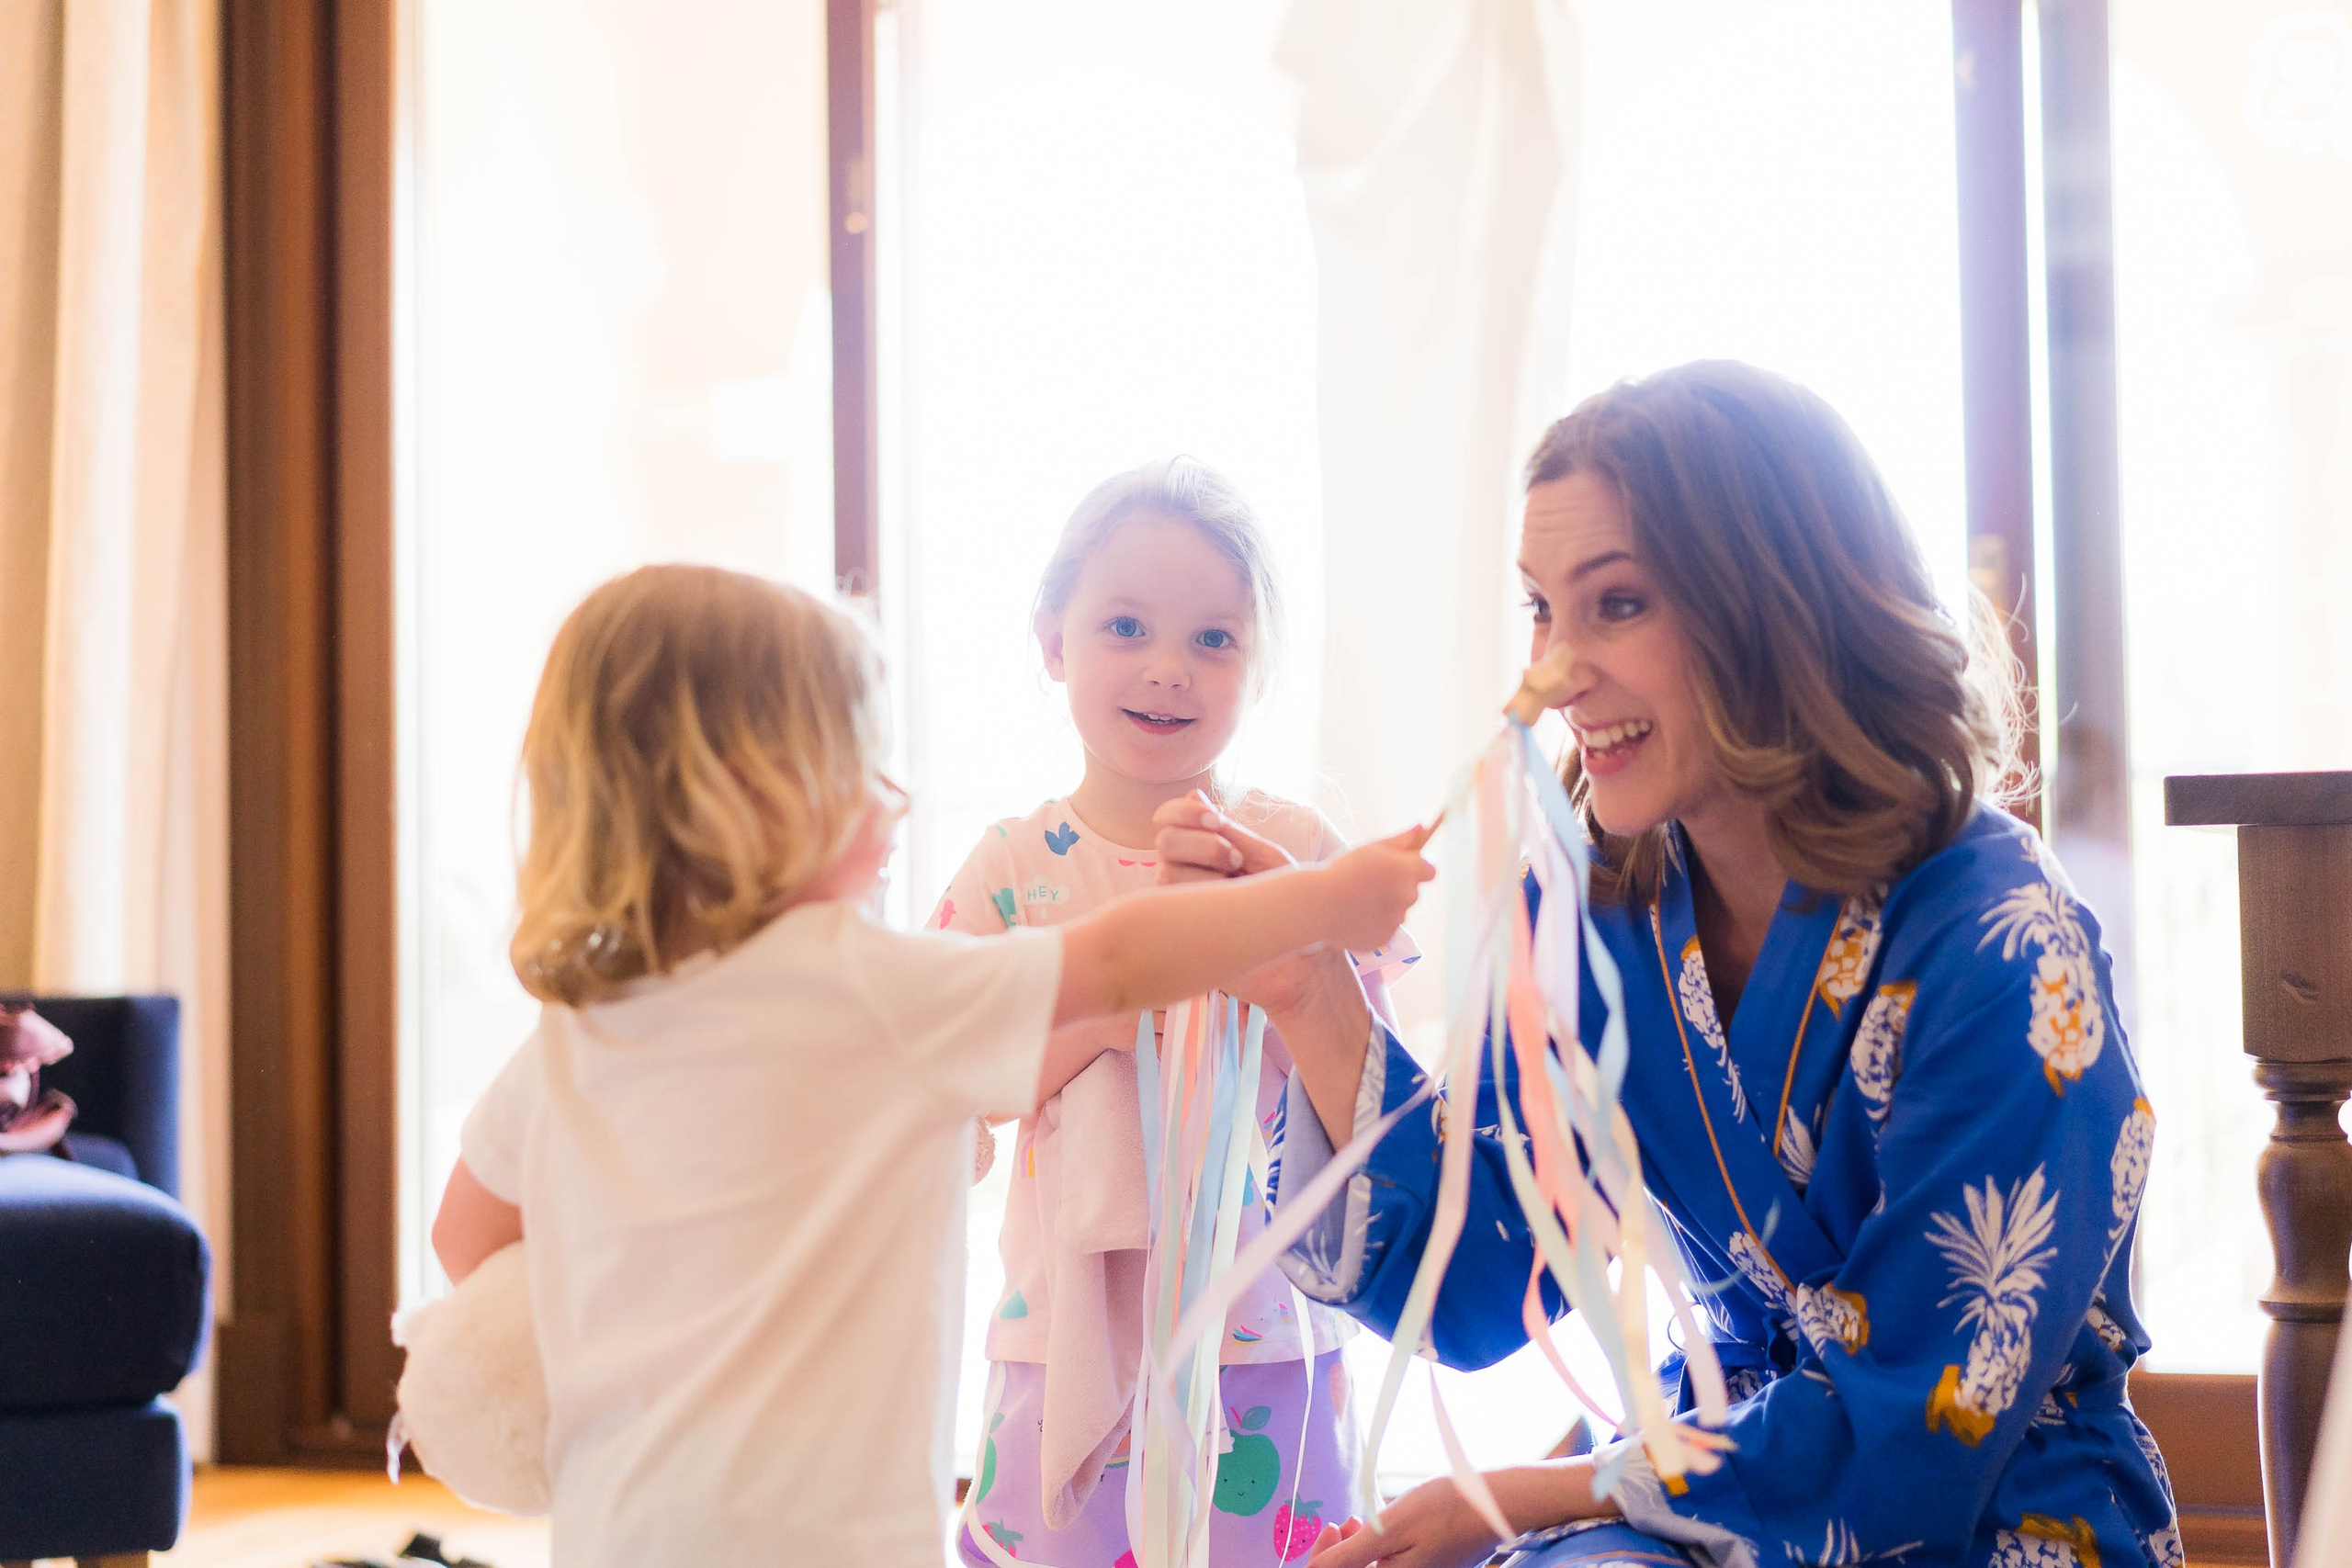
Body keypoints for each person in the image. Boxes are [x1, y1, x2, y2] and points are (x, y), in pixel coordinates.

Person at [1161, 363, 2182, 1568]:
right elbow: (1480, 1273)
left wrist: (1523, 1496)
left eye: (1618, 604)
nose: (1551, 673)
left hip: (1995, 1516)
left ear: (1778, 605)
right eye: (1540, 609)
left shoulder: (2001, 940)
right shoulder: (1589, 908)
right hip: (1707, 1484)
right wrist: (1308, 988)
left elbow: (1920, 1428)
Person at [426, 563, 1434, 1568]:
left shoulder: (573, 1037)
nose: (899, 799)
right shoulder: (877, 991)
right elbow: (1120, 962)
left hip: (616, 1529)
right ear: (756, 793)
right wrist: (1325, 901)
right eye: (866, 766)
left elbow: (464, 1236)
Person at [935, 457, 1418, 1566]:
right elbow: (952, 1091)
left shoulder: (1294, 850)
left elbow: (1375, 1088)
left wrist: (1274, 958)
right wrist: (1109, 1013)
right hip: (1066, 1331)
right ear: (1052, 642)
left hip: (1270, 1331)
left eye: (1214, 638)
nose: (1168, 668)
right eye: (1125, 627)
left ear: (1259, 664)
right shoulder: (1011, 867)